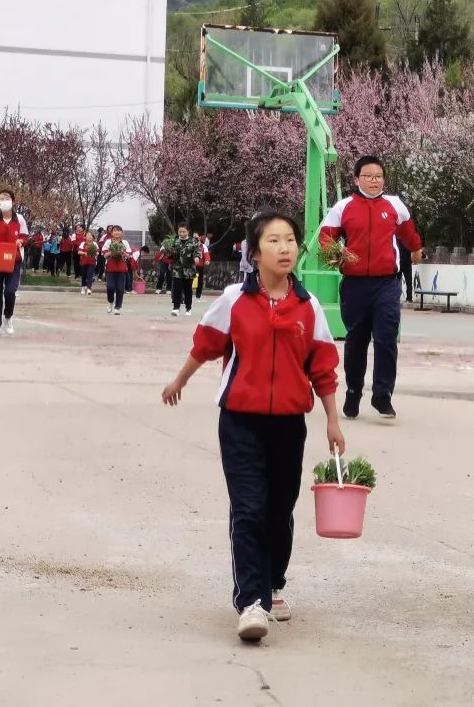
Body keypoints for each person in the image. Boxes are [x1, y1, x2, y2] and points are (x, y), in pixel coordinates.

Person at [161, 210, 345, 642]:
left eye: (290, 241)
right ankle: (250, 603)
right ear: (254, 252)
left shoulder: (309, 306)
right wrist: (179, 380)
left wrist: (333, 420)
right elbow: (206, 345)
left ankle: (273, 582)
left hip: (288, 424)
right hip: (240, 422)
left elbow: (323, 367)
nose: (284, 248)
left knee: (279, 512)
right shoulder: (234, 301)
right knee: (247, 509)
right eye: (274, 241)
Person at [319, 155, 423, 420]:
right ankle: (353, 391)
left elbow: (409, 234)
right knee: (356, 340)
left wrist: (416, 249)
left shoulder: (395, 205)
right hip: (354, 285)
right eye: (368, 176)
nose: (374, 180)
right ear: (356, 179)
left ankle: (382, 394)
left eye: (378, 176)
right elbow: (326, 237)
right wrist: (334, 254)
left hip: (387, 283)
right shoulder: (343, 208)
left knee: (387, 336)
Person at [0, 189, 28, 337]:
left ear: (13, 202)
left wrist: (21, 241)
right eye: (1, 199)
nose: (4, 201)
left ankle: (8, 316)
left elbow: (25, 237)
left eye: (7, 198)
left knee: (10, 291)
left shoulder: (19, 219)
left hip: (13, 260)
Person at [169, 223, 201, 317]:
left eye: (184, 231)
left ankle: (188, 308)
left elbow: (197, 252)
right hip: (177, 270)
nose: (182, 233)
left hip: (189, 270)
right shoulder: (175, 241)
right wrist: (170, 252)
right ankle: (176, 308)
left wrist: (197, 258)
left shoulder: (193, 241)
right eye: (180, 231)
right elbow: (170, 255)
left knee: (188, 290)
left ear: (188, 231)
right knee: (177, 289)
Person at [102, 225, 132, 315]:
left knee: (120, 289)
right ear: (112, 233)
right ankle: (110, 302)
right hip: (110, 269)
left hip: (122, 269)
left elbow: (129, 256)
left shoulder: (125, 242)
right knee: (110, 287)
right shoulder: (108, 242)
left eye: (119, 230)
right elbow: (104, 255)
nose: (117, 232)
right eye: (115, 230)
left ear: (122, 232)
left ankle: (117, 307)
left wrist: (121, 251)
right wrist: (112, 251)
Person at [78, 231, 98, 295]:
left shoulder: (94, 244)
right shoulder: (83, 243)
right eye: (88, 235)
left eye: (90, 235)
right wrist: (84, 253)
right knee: (84, 275)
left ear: (92, 237)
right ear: (85, 237)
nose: (89, 236)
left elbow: (97, 252)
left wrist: (93, 253)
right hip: (84, 262)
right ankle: (83, 287)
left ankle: (89, 288)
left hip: (92, 262)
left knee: (90, 275)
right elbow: (79, 252)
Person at [194, 232, 212, 298]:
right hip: (190, 266)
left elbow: (206, 254)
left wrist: (207, 260)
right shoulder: (190, 245)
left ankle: (198, 294)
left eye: (197, 238)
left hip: (199, 266)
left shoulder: (203, 246)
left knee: (199, 280)